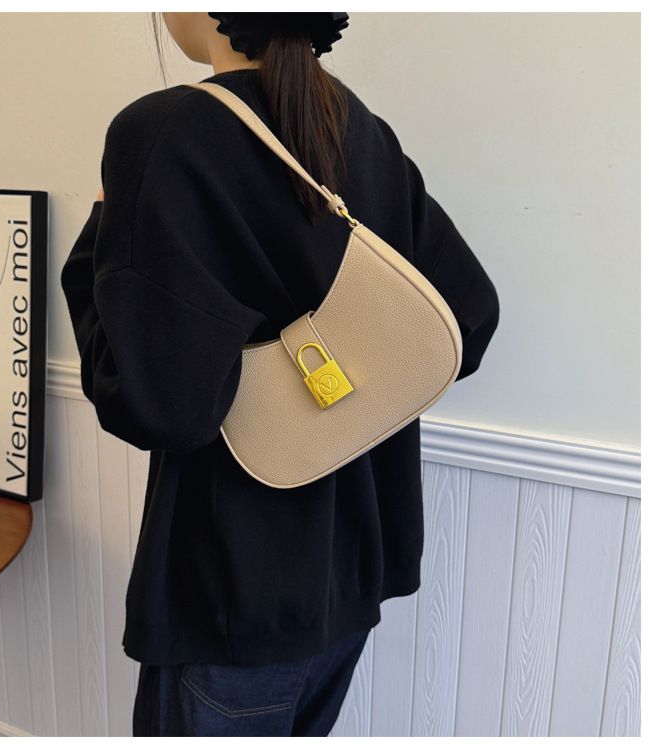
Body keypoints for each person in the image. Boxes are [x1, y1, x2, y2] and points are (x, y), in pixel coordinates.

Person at [61, 12, 499, 737]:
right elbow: (469, 318)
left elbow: (155, 404)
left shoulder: (163, 131)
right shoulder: (359, 128)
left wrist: (95, 249)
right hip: (354, 571)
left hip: (233, 588)